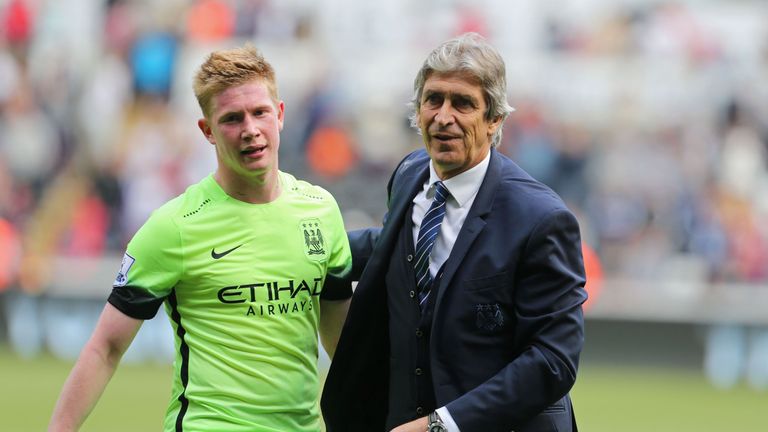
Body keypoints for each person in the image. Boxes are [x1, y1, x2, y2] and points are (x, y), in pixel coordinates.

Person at [48, 45, 352, 432]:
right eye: (231, 118)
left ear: (280, 115)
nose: (250, 129)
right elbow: (105, 347)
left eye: (260, 112)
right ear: (207, 130)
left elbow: (342, 344)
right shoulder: (174, 226)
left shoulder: (321, 211)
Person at [322, 33, 587, 432]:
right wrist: (309, 246)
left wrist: (440, 425)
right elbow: (394, 248)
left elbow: (552, 361)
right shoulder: (410, 174)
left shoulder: (541, 218)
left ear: (494, 119)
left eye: (462, 103)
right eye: (433, 99)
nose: (443, 116)